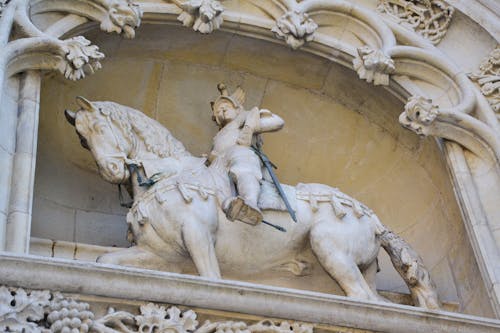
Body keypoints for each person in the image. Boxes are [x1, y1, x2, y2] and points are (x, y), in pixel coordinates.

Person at [209, 84, 284, 225]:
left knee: (242, 165)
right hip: (219, 165)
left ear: (237, 108)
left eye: (226, 106)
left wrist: (249, 128)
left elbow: (278, 123)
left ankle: (250, 203)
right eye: (218, 110)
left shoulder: (245, 120)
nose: (222, 110)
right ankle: (228, 205)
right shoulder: (218, 136)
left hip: (240, 155)